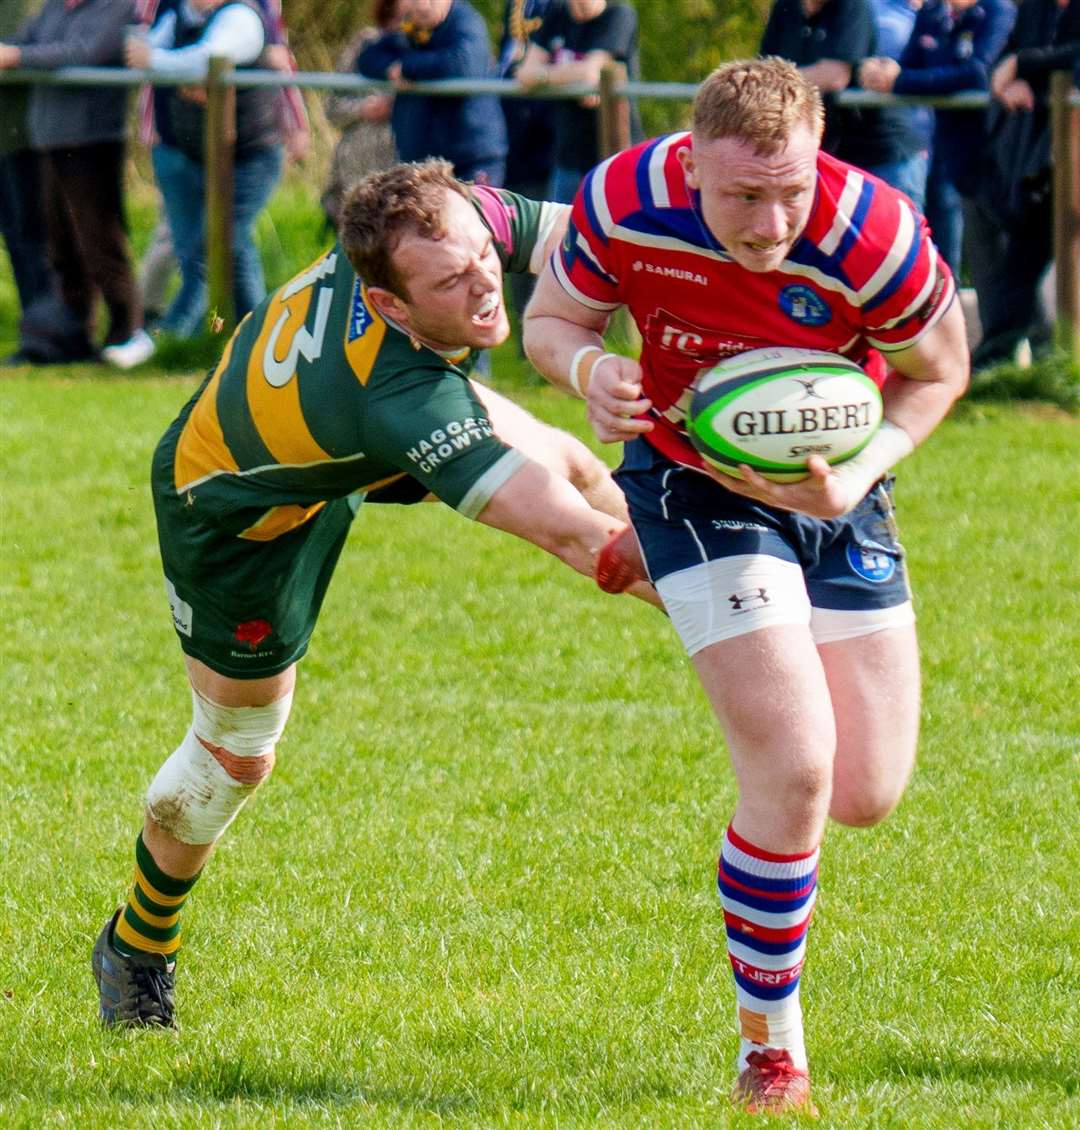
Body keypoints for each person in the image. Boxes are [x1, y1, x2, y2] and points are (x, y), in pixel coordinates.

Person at [90, 158, 658, 1028]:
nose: (481, 289)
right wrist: (754, 614)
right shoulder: (406, 400)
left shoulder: (443, 220)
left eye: (481, 261)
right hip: (237, 516)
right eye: (449, 282)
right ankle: (138, 942)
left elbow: (587, 234)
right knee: (235, 757)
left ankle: (717, 563)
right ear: (392, 303)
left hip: (335, 420)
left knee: (574, 461)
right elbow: (583, 543)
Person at [523, 57, 969, 1114]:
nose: (771, 223)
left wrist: (858, 472)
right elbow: (551, 321)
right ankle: (772, 1050)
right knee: (797, 763)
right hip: (688, 481)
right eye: (742, 196)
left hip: (839, 495)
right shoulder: (624, 201)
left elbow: (940, 367)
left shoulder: (876, 233)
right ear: (690, 165)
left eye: (791, 191)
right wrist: (594, 376)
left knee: (865, 791)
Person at [133, 0, 310, 327]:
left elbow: (208, 60)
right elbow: (138, 52)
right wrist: (167, 66)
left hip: (251, 151)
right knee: (225, 250)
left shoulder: (240, 15)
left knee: (216, 244)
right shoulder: (179, 14)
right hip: (195, 148)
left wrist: (159, 62)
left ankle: (175, 335)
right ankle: (256, 333)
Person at [0, 0, 154, 369]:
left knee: (99, 239)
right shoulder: (56, 8)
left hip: (91, 140)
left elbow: (87, 52)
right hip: (49, 137)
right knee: (61, 244)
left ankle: (125, 334)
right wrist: (18, 52)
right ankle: (71, 334)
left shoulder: (115, 8)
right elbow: (29, 40)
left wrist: (17, 57)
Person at [860, 0, 1017, 275]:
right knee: (946, 258)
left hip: (996, 154)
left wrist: (899, 82)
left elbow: (978, 73)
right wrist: (886, 74)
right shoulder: (935, 13)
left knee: (1004, 263)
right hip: (946, 153)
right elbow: (908, 65)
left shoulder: (997, 10)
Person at [964, 0, 1080, 369]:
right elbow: (1003, 59)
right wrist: (1008, 77)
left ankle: (1007, 359)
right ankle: (1014, 359)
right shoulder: (1034, 8)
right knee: (1018, 262)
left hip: (1068, 156)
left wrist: (1023, 65)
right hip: (1037, 160)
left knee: (1025, 262)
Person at [760, 0, 930, 208]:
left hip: (885, 153)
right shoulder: (786, 9)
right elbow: (765, 68)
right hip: (835, 157)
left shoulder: (852, 5)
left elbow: (834, 75)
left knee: (902, 236)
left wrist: (774, 80)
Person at [356, 0, 508, 186]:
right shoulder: (410, 30)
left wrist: (407, 68)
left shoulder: (466, 23)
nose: (422, 6)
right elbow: (368, 58)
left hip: (469, 161)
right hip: (419, 162)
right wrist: (390, 68)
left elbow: (462, 65)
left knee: (474, 215)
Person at [516, 0, 641, 203]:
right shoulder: (557, 14)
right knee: (562, 232)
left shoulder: (619, 14)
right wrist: (569, 78)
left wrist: (545, 75)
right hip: (567, 159)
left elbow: (590, 74)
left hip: (614, 157)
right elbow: (524, 74)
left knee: (613, 230)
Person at [320, 0, 399, 232]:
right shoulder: (365, 43)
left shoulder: (437, 47)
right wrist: (364, 109)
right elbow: (331, 107)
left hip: (404, 183)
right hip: (354, 180)